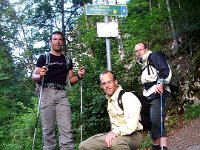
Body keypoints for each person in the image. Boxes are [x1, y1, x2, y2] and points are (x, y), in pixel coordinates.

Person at [32, 31, 85, 150]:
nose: (57, 41)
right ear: (50, 42)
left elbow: (71, 80)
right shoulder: (44, 58)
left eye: (60, 39)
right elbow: (34, 77)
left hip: (62, 94)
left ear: (63, 42)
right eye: (55, 39)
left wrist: (79, 76)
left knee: (67, 128)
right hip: (46, 93)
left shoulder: (67, 60)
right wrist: (40, 75)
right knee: (48, 130)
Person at [79, 70, 143, 150]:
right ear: (101, 86)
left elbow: (132, 126)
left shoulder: (127, 97)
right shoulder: (110, 100)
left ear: (115, 82)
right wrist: (112, 134)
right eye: (104, 83)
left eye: (109, 82)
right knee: (84, 145)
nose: (107, 86)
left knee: (114, 143)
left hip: (134, 135)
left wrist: (114, 133)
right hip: (117, 135)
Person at [134, 42, 172, 150]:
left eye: (140, 50)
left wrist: (161, 83)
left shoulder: (154, 56)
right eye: (136, 51)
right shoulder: (143, 63)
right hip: (148, 95)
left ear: (146, 49)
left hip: (160, 93)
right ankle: (161, 147)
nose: (138, 53)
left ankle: (157, 147)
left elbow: (166, 70)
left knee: (155, 120)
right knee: (153, 122)